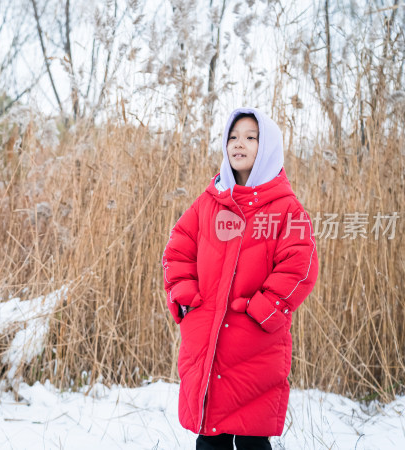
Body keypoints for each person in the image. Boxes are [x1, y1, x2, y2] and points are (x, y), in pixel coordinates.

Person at [161, 107, 319, 449]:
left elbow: (300, 266)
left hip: (255, 343)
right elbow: (176, 252)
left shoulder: (287, 209)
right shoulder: (208, 202)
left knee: (251, 439)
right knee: (210, 436)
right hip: (208, 341)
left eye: (250, 137)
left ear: (268, 147)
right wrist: (188, 300)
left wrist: (263, 310)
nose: (239, 144)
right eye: (233, 137)